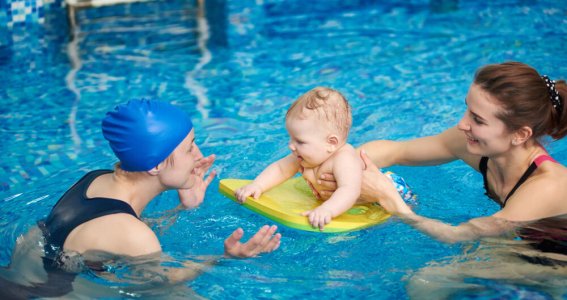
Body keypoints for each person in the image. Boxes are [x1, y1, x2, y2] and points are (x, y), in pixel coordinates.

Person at [315, 62, 567, 295]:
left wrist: (388, 198)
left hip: (559, 265)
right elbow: (396, 151)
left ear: (520, 134)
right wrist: (337, 168)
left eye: (477, 120)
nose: (462, 124)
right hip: (525, 237)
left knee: (429, 280)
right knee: (476, 251)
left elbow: (455, 235)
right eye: (467, 109)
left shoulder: (546, 185)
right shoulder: (475, 144)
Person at [0, 100, 282, 299]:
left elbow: (109, 234)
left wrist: (183, 208)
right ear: (156, 165)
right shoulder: (133, 235)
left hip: (19, 276)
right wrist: (223, 258)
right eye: (189, 148)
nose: (199, 155)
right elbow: (153, 287)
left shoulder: (96, 179)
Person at [235, 87, 362, 230]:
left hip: (359, 209)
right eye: (291, 139)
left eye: (299, 141)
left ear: (331, 143)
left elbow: (349, 189)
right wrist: (257, 185)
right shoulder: (305, 155)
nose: (291, 146)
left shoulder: (344, 159)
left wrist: (328, 210)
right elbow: (281, 169)